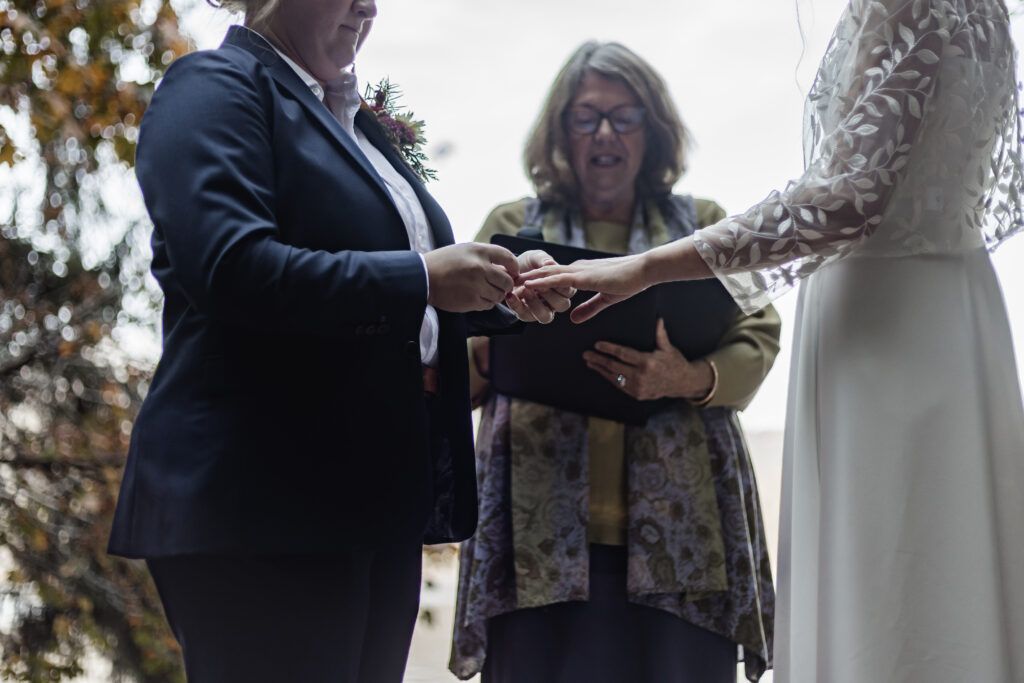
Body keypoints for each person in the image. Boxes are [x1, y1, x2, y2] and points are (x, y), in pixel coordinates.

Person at [523, 2, 1024, 681]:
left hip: (889, 332)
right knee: (936, 579)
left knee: (890, 588)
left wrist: (646, 267)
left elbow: (845, 199)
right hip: (951, 309)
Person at [105, 0, 567, 681]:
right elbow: (230, 266)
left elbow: (399, 281)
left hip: (371, 500)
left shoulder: (356, 128)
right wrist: (422, 278)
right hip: (261, 502)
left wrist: (501, 291)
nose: (368, 5)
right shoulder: (212, 87)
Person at [450, 42, 782, 683]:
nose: (605, 133)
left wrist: (688, 377)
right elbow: (458, 358)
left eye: (625, 117)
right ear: (560, 132)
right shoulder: (511, 224)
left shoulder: (705, 226)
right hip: (535, 550)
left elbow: (760, 331)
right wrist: (498, 340)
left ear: (653, 132)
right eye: (586, 117)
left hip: (684, 547)